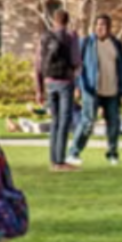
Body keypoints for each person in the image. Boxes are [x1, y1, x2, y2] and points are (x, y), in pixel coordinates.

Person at [69, 14, 122, 166]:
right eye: (98, 24)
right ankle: (74, 152)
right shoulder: (86, 43)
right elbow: (76, 66)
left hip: (112, 90)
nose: (100, 27)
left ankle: (112, 154)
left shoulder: (116, 44)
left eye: (103, 25)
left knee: (114, 123)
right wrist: (77, 86)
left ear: (109, 27)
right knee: (87, 122)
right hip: (91, 89)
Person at [32, 10, 81, 172]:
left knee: (55, 121)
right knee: (64, 121)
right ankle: (60, 161)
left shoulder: (44, 38)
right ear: (67, 21)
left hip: (49, 83)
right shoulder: (70, 37)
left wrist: (39, 90)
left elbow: (38, 64)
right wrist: (75, 40)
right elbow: (75, 61)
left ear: (54, 21)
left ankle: (54, 160)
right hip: (65, 82)